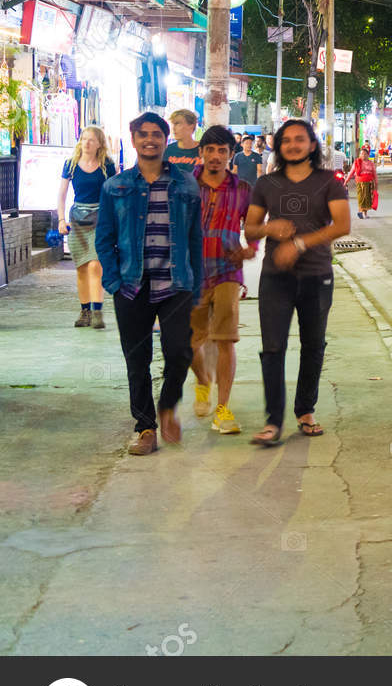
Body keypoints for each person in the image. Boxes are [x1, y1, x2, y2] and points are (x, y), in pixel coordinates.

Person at [95, 112, 203, 455]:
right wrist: (113, 281)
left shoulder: (186, 184)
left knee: (180, 352)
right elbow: (104, 238)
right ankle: (145, 428)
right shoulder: (115, 186)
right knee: (137, 359)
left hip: (176, 283)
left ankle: (168, 404)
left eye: (156, 134)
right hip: (132, 285)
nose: (150, 140)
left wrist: (196, 287)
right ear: (133, 139)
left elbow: (195, 239)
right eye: (143, 134)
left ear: (165, 139)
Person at [244, 119, 351, 446]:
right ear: (278, 146)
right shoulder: (266, 184)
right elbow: (250, 228)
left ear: (311, 145)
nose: (293, 145)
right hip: (275, 277)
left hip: (316, 275)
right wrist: (269, 229)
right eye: (286, 140)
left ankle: (305, 410)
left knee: (313, 344)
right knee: (272, 347)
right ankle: (273, 421)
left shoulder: (328, 182)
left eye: (299, 139)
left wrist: (300, 244)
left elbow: (342, 225)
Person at [192, 125, 258, 435]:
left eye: (222, 151)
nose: (216, 156)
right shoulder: (185, 186)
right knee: (189, 342)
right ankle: (202, 380)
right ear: (201, 152)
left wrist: (251, 248)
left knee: (226, 340)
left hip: (227, 271)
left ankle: (222, 408)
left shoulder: (242, 189)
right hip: (191, 272)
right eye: (210, 150)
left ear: (231, 155)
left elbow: (254, 224)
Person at [57, 125, 116, 328]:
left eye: (91, 140)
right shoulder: (71, 164)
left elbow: (114, 194)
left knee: (95, 265)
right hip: (77, 219)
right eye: (83, 139)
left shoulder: (107, 165)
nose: (86, 143)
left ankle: (97, 311)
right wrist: (61, 220)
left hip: (100, 218)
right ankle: (85, 311)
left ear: (99, 143)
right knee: (82, 267)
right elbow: (62, 194)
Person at [165, 108, 201, 176]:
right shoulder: (167, 151)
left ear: (191, 126)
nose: (173, 128)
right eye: (173, 124)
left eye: (177, 124)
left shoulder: (204, 150)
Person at [347, 145, 378, 218]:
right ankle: (361, 211)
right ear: (359, 155)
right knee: (361, 197)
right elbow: (351, 173)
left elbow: (374, 174)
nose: (363, 155)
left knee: (367, 198)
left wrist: (376, 183)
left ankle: (365, 213)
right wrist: (346, 181)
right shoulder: (357, 162)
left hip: (369, 183)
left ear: (368, 155)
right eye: (361, 154)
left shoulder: (371, 163)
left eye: (365, 154)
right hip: (360, 182)